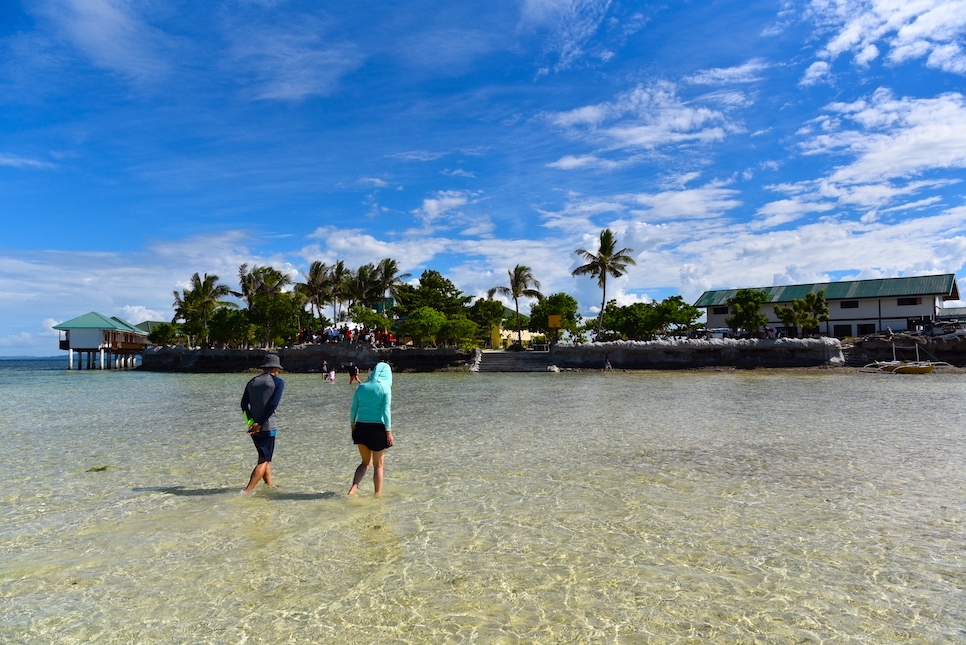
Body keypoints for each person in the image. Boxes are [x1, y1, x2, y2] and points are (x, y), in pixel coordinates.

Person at [240, 354, 285, 493]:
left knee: (264, 456)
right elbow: (272, 405)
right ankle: (247, 491)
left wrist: (251, 422)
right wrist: (260, 423)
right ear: (276, 368)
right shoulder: (278, 382)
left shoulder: (252, 381)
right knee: (264, 460)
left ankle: (269, 485)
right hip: (267, 426)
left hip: (254, 426)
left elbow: (243, 405)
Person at [348, 361, 394, 495]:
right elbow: (386, 411)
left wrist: (353, 426)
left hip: (360, 427)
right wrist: (389, 432)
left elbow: (353, 409)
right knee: (378, 465)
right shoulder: (385, 389)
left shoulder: (361, 387)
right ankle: (377, 495)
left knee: (364, 463)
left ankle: (353, 488)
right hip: (377, 429)